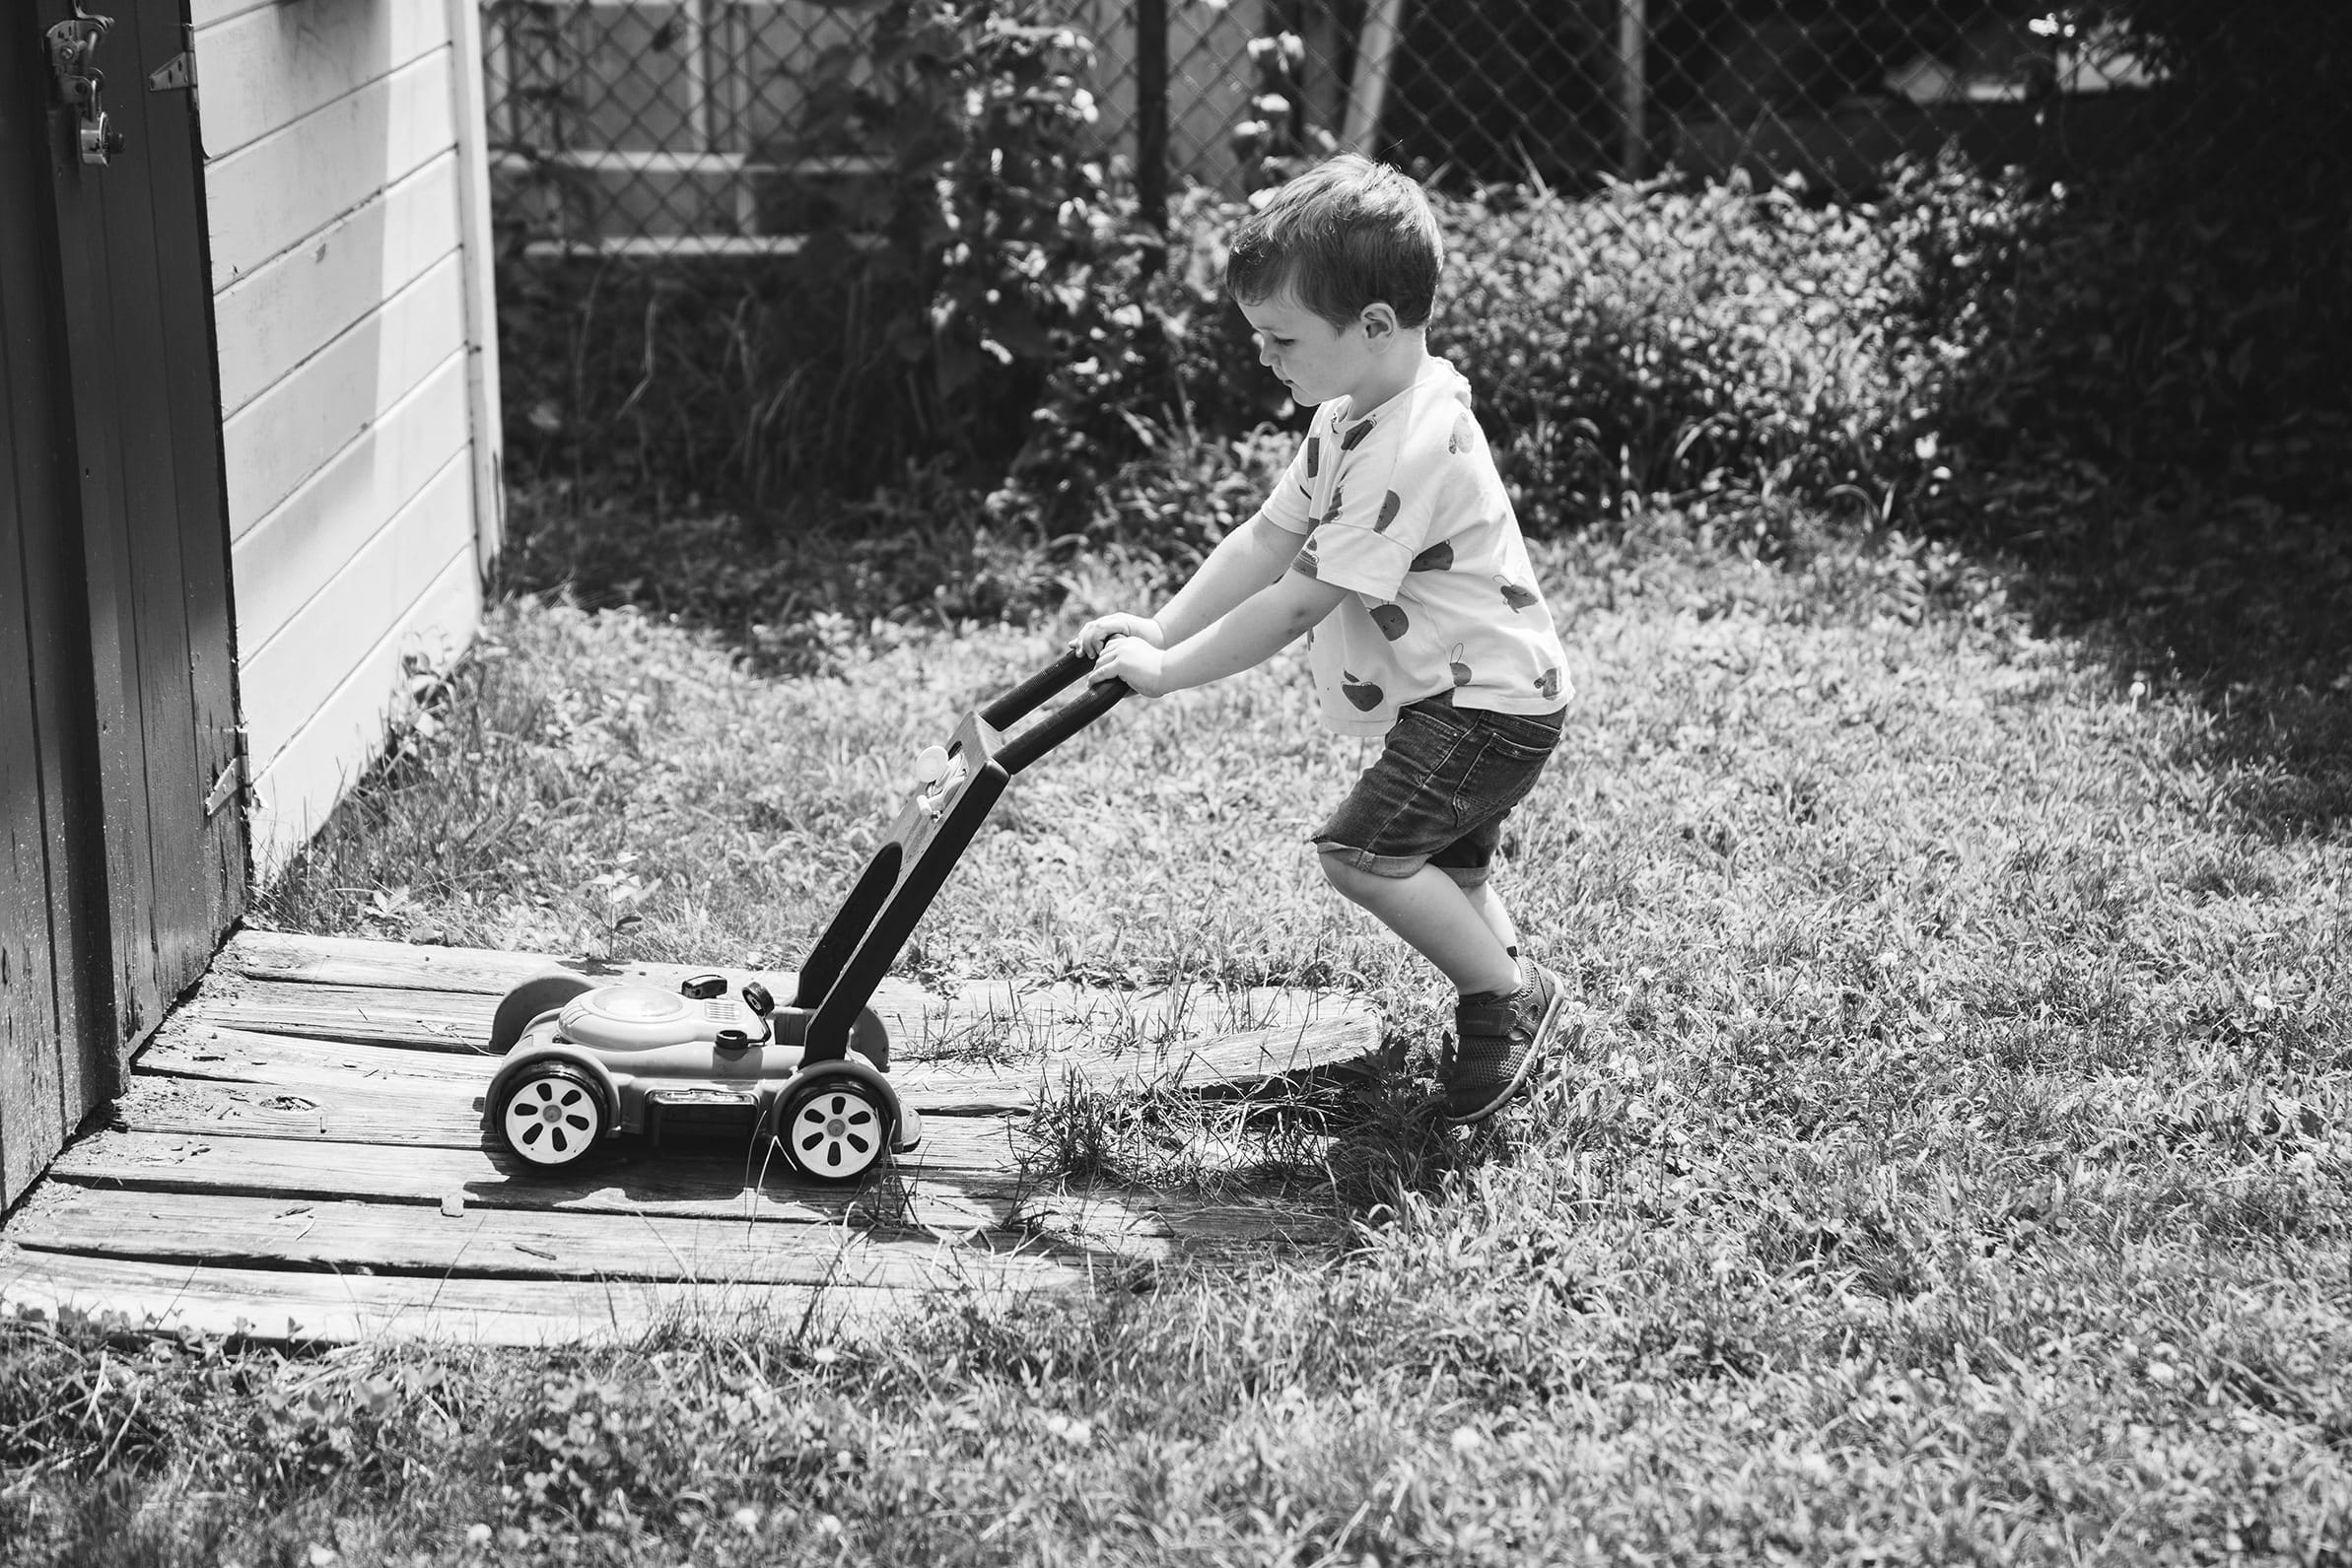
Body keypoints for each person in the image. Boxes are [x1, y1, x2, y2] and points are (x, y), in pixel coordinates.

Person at [1072, 154, 1573, 1125]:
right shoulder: (1351, 416)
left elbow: (1301, 597)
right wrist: (1159, 625)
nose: (1265, 357)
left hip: (1486, 704)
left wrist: (1171, 673)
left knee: (1362, 854)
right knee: (1450, 866)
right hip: (1467, 691)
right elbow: (1266, 538)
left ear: (1374, 326)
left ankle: (1507, 997)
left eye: (1281, 337)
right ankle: (1509, 991)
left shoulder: (1408, 444)